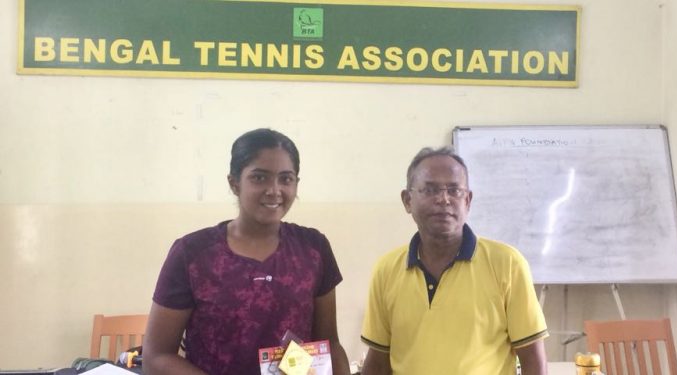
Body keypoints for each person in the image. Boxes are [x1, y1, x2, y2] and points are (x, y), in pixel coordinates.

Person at [143, 128, 350, 375]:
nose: (274, 190)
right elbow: (157, 357)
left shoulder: (313, 249)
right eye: (259, 178)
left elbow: (329, 344)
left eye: (286, 179)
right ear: (234, 183)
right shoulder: (192, 254)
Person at [360, 147, 548, 375]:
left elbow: (533, 361)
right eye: (430, 190)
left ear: (467, 200)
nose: (443, 199)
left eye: (454, 190)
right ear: (407, 200)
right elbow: (378, 363)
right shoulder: (386, 270)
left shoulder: (507, 264)